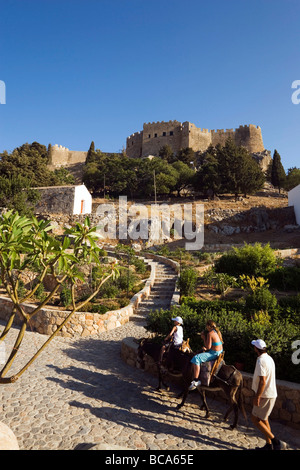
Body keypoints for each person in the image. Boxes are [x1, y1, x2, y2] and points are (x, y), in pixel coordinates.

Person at [251, 339, 286, 450]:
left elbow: (263, 381)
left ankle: (276, 442)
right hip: (271, 394)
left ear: (256, 348)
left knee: (255, 419)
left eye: (254, 346)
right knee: (264, 419)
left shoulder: (261, 360)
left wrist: (257, 396)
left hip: (264, 395)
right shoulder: (269, 358)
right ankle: (269, 445)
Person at [188, 320, 223, 390]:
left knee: (196, 358)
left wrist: (203, 338)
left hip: (213, 353)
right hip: (219, 352)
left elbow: (208, 347)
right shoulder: (217, 332)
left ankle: (196, 380)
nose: (206, 327)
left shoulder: (210, 333)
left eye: (206, 326)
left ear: (209, 326)